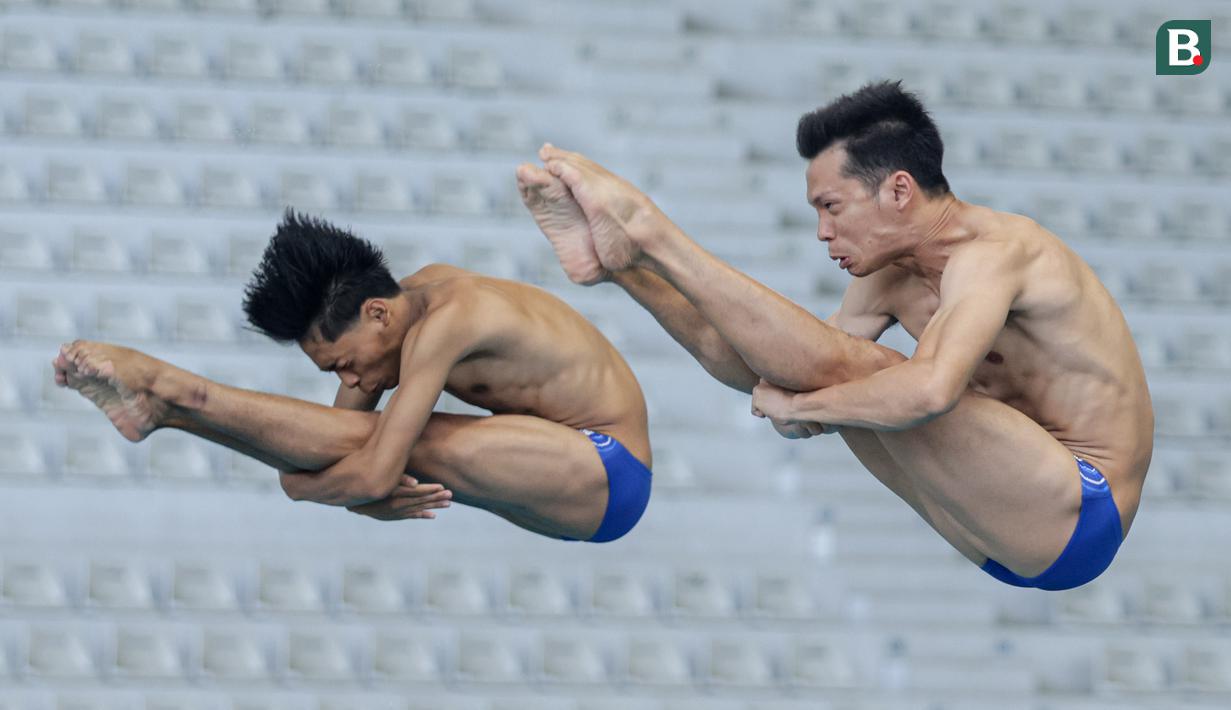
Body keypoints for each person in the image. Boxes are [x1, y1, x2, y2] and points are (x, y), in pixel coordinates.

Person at [518, 80, 1153, 590]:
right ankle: (629, 259)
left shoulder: (997, 254)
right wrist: (634, 279)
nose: (823, 232)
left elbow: (931, 392)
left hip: (1079, 509)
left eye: (832, 207)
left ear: (899, 190)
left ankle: (654, 232)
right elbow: (775, 366)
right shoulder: (894, 276)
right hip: (994, 530)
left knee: (876, 372)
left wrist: (805, 408)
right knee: (830, 367)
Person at [53, 210, 652, 543]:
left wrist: (308, 490)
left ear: (377, 313)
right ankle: (170, 411)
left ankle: (181, 391)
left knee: (406, 440)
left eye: (343, 364)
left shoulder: (450, 322)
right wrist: (340, 487)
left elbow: (368, 472)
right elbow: (327, 444)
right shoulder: (402, 309)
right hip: (558, 471)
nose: (354, 380)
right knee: (373, 437)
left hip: (609, 468)